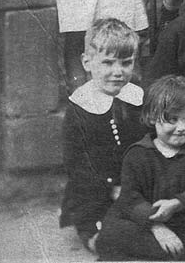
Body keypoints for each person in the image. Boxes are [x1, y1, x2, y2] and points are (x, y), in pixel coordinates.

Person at [95, 75, 185, 260]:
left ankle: (178, 252)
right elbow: (130, 198)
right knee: (113, 230)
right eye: (172, 120)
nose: (182, 127)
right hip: (148, 222)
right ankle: (176, 253)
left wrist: (178, 203)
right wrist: (156, 227)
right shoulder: (138, 154)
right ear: (152, 117)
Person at [60, 19, 148, 253]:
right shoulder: (80, 106)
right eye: (107, 63)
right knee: (108, 240)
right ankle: (97, 234)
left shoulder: (136, 97)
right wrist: (111, 187)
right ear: (87, 62)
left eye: (126, 63)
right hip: (95, 193)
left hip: (135, 188)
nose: (117, 72)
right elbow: (77, 164)